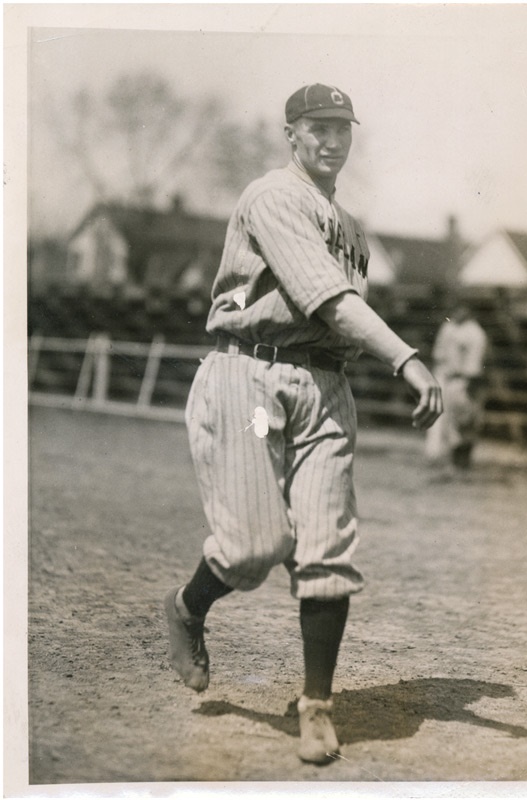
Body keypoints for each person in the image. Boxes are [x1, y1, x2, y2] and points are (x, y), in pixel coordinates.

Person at [164, 83, 443, 765]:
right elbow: (331, 302)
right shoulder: (272, 196)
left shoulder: (349, 226)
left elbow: (338, 322)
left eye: (342, 127)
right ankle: (187, 607)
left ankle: (315, 705)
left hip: (323, 387)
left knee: (326, 550)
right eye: (316, 127)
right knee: (255, 546)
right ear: (290, 134)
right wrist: (405, 358)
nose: (331, 139)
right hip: (251, 379)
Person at [425, 302, 488, 475]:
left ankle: (462, 463)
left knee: (465, 422)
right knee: (449, 422)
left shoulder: (475, 333)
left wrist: (470, 385)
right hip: (447, 377)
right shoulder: (449, 327)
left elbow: (475, 364)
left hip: (465, 380)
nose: (457, 312)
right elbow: (439, 354)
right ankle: (452, 462)